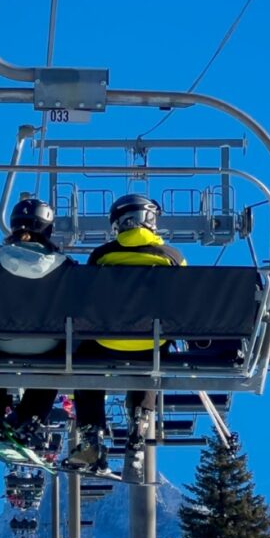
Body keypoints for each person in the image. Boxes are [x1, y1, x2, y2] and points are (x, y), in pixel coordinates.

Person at [63, 193, 186, 481]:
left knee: (84, 365)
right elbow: (182, 305)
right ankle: (139, 426)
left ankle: (91, 438)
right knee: (151, 365)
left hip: (107, 343)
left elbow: (85, 299)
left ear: (118, 224)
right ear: (151, 221)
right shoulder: (172, 258)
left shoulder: (102, 256)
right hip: (152, 344)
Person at [0, 197, 74, 455]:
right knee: (58, 361)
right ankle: (30, 417)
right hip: (48, 345)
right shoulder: (66, 268)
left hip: (0, 342)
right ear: (47, 230)